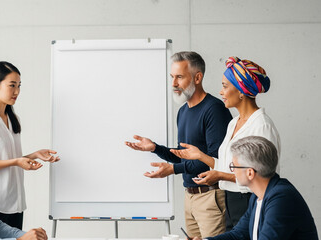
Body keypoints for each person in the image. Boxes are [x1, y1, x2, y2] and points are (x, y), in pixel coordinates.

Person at [125, 51, 232, 238]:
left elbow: (214, 160)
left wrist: (173, 170)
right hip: (190, 196)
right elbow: (183, 156)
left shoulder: (214, 109)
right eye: (172, 77)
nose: (174, 83)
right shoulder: (183, 111)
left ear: (197, 77)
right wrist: (155, 148)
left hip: (210, 197)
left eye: (180, 77)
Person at [171, 56, 280, 230]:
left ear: (241, 91)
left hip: (250, 202)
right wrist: (201, 156)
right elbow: (227, 167)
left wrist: (221, 176)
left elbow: (261, 177)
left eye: (225, 86)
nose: (221, 92)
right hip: (230, 201)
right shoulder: (233, 123)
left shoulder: (261, 125)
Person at [0, 61, 60, 229]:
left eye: (19, 86)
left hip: (15, 202)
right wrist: (17, 162)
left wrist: (34, 155)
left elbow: (10, 159)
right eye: (12, 85)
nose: (17, 91)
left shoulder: (13, 118)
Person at [191, 136, 318, 240]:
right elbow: (239, 234)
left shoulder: (282, 198)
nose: (232, 171)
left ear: (250, 173)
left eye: (234, 166)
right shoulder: (258, 196)